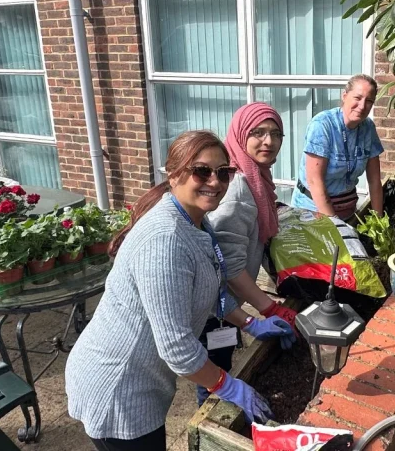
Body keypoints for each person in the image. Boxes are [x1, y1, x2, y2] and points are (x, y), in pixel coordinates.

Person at [65, 131, 295, 451]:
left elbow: (212, 289)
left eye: (223, 172)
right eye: (201, 171)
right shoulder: (166, 240)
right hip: (118, 387)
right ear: (173, 174)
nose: (214, 182)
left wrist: (251, 323)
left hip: (141, 381)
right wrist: (229, 386)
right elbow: (177, 349)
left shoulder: (196, 221)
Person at [197, 103, 299, 405]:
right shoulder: (238, 186)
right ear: (241, 134)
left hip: (225, 306)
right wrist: (269, 309)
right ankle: (208, 417)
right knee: (215, 370)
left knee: (221, 355)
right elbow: (229, 266)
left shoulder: (255, 175)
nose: (268, 141)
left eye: (275, 134)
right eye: (258, 132)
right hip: (215, 309)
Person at [291, 74, 385, 220]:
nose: (362, 106)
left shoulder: (368, 128)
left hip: (347, 210)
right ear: (344, 96)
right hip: (312, 211)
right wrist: (337, 226)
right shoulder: (322, 125)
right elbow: (315, 181)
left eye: (369, 101)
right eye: (357, 98)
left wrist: (379, 222)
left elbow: (374, 181)